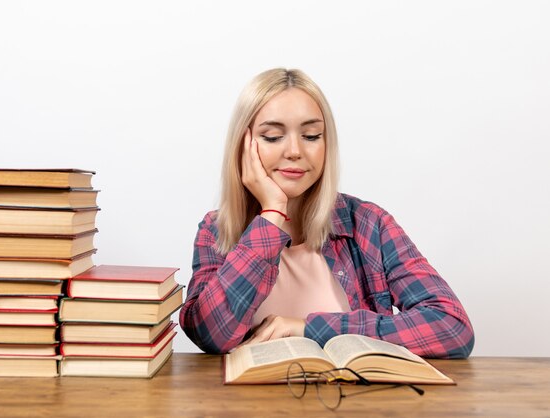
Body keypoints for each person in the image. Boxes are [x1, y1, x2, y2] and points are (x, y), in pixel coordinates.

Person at [179, 68, 474, 358]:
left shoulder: (369, 224)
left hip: (352, 402)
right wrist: (272, 213)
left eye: (311, 135)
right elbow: (210, 335)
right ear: (243, 147)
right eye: (272, 137)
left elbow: (451, 327)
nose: (295, 150)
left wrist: (309, 328)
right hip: (254, 405)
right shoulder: (215, 230)